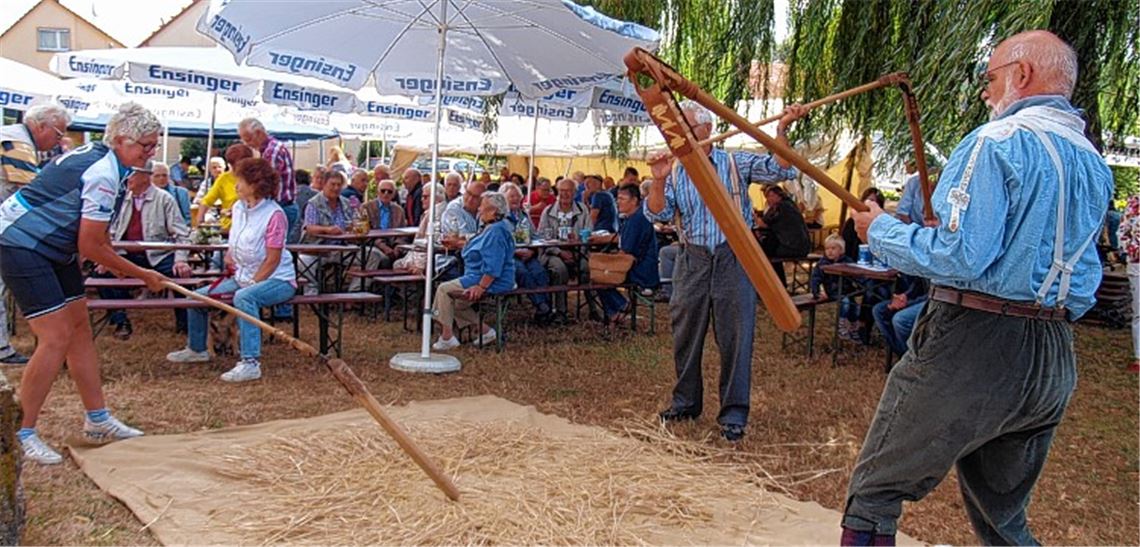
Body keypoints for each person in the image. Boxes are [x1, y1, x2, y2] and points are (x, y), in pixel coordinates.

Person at [844, 30, 1113, 546]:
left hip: (975, 340)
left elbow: (961, 256)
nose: (985, 93)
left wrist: (880, 229)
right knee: (1002, 517)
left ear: (1022, 74)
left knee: (875, 493)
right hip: (1052, 357)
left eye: (989, 78)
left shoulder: (995, 143)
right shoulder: (1092, 163)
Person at [0, 102, 165, 464]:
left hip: (52, 248)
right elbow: (89, 245)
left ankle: (98, 419)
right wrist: (142, 274)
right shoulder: (104, 172)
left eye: (154, 146)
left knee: (79, 330)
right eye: (146, 146)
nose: (151, 153)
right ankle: (20, 433)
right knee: (55, 336)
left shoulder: (102, 156)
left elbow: (96, 236)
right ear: (121, 140)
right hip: (21, 244)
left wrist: (119, 263)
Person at [646, 99, 805, 443]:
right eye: (677, 129)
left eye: (688, 127)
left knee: (736, 334)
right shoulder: (674, 169)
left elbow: (782, 169)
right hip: (693, 258)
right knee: (685, 333)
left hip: (735, 256)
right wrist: (657, 181)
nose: (681, 134)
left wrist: (781, 131)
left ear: (707, 130)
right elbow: (658, 215)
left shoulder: (735, 162)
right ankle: (685, 402)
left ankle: (734, 413)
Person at [167, 158, 296, 383]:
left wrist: (253, 283)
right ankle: (197, 349)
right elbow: (235, 239)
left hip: (278, 279)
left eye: (241, 181)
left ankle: (250, 362)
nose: (235, 185)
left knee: (245, 298)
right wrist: (230, 255)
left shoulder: (275, 215)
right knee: (196, 298)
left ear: (255, 184)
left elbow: (273, 259)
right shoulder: (238, 207)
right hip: (242, 276)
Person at [0, 103, 71, 366]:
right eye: (58, 133)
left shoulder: (11, 136)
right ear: (41, 126)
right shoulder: (18, 144)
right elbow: (32, 192)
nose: (59, 140)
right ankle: (2, 350)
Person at [97, 161, 193, 339]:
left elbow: (182, 233)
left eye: (131, 174)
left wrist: (181, 259)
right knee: (102, 275)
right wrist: (106, 258)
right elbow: (109, 231)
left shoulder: (164, 199)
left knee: (181, 274)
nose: (126, 178)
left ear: (144, 176)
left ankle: (185, 324)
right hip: (125, 254)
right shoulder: (121, 198)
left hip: (157, 255)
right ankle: (121, 321)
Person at [431, 191, 517, 350]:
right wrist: (460, 244)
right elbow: (482, 247)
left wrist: (481, 287)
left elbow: (494, 265)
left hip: (489, 279)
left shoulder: (496, 231)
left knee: (443, 290)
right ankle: (486, 332)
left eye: (482, 208)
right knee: (456, 304)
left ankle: (447, 336)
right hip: (478, 275)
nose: (478, 210)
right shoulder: (492, 228)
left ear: (493, 211)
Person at [597, 184, 659, 325]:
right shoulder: (635, 217)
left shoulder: (636, 220)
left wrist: (606, 262)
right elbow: (623, 240)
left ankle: (620, 307)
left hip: (641, 271)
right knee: (600, 273)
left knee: (599, 276)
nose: (618, 202)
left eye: (622, 199)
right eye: (617, 198)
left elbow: (625, 253)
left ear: (634, 201)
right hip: (641, 265)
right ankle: (617, 312)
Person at [538, 177, 592, 317]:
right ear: (557, 192)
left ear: (574, 192)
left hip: (577, 251)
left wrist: (577, 244)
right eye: (562, 190)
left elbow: (588, 233)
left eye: (568, 191)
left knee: (587, 268)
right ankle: (561, 311)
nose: (565, 194)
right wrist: (559, 252)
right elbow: (542, 237)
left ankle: (592, 307)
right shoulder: (548, 211)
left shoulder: (583, 209)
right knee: (559, 269)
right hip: (553, 253)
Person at [501, 182, 553, 324]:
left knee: (540, 272)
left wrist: (532, 250)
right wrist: (515, 251)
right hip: (509, 256)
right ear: (503, 198)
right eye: (511, 196)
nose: (515, 199)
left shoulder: (524, 215)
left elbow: (535, 236)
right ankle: (543, 306)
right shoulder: (500, 217)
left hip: (528, 253)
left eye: (518, 196)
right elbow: (499, 242)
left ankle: (544, 308)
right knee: (522, 273)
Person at [238, 118, 297, 241]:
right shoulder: (266, 150)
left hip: (280, 206)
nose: (246, 144)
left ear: (259, 133)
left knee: (271, 249)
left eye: (248, 139)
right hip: (281, 206)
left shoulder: (272, 151)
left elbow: (264, 186)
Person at [299, 170, 351, 294]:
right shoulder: (314, 203)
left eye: (339, 185)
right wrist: (328, 230)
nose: (336, 188)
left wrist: (353, 228)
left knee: (373, 257)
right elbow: (309, 227)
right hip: (318, 249)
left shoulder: (346, 203)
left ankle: (354, 294)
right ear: (324, 185)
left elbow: (354, 222)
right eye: (332, 184)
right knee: (303, 261)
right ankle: (311, 292)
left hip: (343, 249)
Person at [756, 184, 811, 288]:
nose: (768, 199)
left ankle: (775, 285)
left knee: (764, 252)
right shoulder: (788, 205)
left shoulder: (783, 207)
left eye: (771, 196)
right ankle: (778, 284)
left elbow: (765, 224)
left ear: (779, 195)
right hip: (798, 245)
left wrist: (756, 219)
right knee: (767, 249)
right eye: (767, 196)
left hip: (794, 247)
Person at [809, 234, 860, 339]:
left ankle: (854, 327)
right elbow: (815, 278)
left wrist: (859, 285)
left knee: (855, 307)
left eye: (833, 248)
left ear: (841, 250)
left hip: (847, 290)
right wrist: (816, 292)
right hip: (832, 291)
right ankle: (841, 326)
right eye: (827, 248)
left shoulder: (847, 261)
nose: (830, 251)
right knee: (845, 302)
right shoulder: (822, 263)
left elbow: (856, 274)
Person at [196, 144, 254, 235]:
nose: (234, 167)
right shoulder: (223, 179)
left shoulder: (255, 178)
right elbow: (207, 201)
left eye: (238, 164)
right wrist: (200, 221)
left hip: (251, 227)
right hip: (229, 229)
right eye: (232, 164)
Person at [870, 273, 928, 357]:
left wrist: (908, 303)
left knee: (900, 319)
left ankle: (910, 356)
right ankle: (903, 353)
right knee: (879, 311)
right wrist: (906, 296)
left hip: (932, 301)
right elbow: (918, 282)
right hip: (919, 298)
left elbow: (933, 293)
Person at [393, 182, 445, 274]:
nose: (421, 200)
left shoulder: (435, 213)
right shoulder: (439, 210)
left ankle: (412, 287)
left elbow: (430, 241)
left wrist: (420, 266)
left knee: (397, 264)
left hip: (428, 260)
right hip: (429, 258)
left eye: (425, 197)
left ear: (436, 198)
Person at [359, 179, 406, 273]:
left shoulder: (398, 210)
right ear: (377, 192)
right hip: (374, 245)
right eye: (383, 190)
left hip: (393, 245)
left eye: (389, 191)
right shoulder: (366, 207)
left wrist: (398, 247)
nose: (386, 194)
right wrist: (383, 247)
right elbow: (366, 232)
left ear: (394, 194)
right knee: (384, 260)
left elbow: (402, 233)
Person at [1118, 194, 1140, 373]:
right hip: (1137, 265)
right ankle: (1139, 357)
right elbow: (1122, 233)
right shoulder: (1134, 203)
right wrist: (1131, 252)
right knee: (1139, 312)